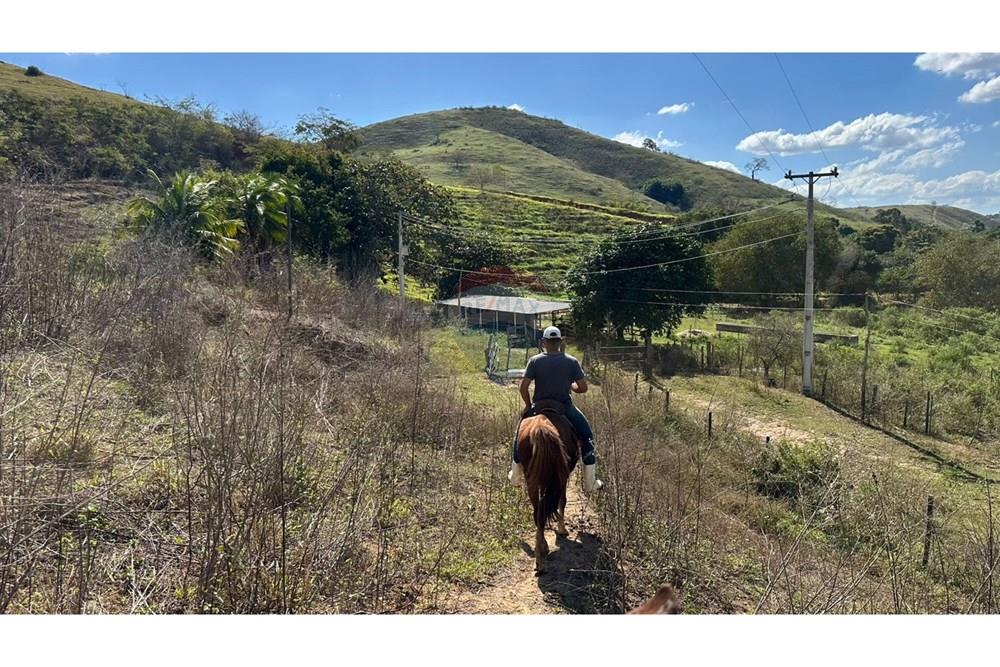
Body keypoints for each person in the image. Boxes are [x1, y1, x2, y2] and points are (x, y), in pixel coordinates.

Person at [508, 326, 603, 493]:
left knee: (519, 433)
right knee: (587, 436)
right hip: (564, 407)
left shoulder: (535, 361)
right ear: (560, 342)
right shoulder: (571, 361)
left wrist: (528, 406)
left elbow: (523, 388)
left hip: (539, 407)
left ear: (543, 342)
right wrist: (572, 386)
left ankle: (515, 475)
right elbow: (583, 388)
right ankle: (590, 483)